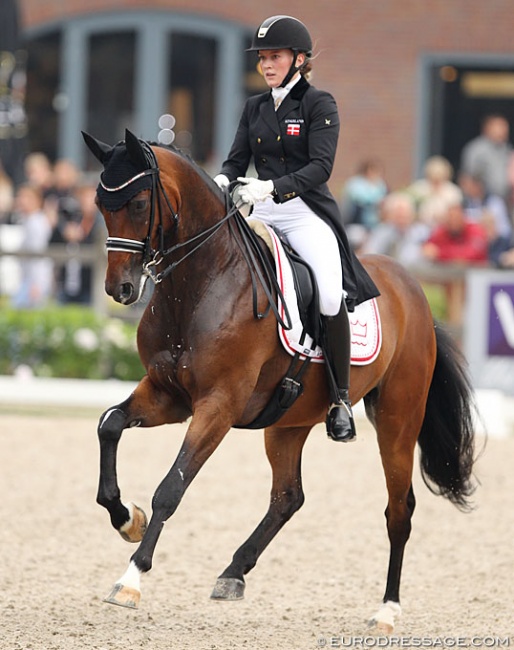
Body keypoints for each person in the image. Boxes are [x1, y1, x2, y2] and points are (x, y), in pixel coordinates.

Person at [213, 15, 379, 442]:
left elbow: (320, 167)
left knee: (327, 292)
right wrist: (220, 181)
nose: (267, 65)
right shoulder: (254, 107)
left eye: (275, 57)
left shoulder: (319, 104)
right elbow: (235, 160)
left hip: (304, 211)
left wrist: (271, 187)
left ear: (299, 59)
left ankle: (340, 400)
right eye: (263, 58)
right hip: (262, 210)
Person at [361, 191, 431, 268]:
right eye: (398, 216)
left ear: (412, 215)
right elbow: (370, 254)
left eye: (405, 215)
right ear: (390, 216)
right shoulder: (381, 232)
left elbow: (432, 251)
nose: (402, 220)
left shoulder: (422, 232)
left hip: (416, 273)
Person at [11, 183, 53, 308]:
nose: (22, 201)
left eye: (26, 197)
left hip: (35, 282)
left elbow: (38, 256)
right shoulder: (27, 220)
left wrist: (36, 284)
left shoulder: (37, 223)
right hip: (26, 279)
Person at [460, 114, 513, 206]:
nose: (504, 131)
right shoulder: (476, 149)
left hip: (505, 200)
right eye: (500, 127)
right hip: (484, 201)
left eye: (505, 127)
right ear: (487, 129)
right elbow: (468, 177)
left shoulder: (507, 149)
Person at [339, 158, 388, 250]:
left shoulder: (381, 186)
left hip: (376, 226)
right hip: (356, 224)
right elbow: (361, 200)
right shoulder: (355, 184)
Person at [406, 155, 462, 227]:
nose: (436, 182)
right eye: (433, 179)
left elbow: (455, 213)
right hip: (420, 226)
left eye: (439, 179)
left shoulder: (453, 192)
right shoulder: (418, 188)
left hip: (444, 227)